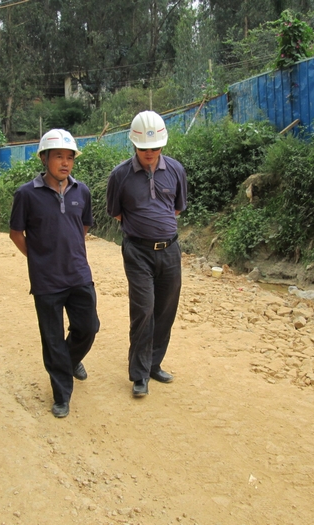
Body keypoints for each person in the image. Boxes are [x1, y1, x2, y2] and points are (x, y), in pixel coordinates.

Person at [9, 129, 99, 418]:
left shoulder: (82, 191)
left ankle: (69, 360)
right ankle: (62, 394)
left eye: (70, 157)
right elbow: (16, 233)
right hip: (46, 281)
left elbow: (83, 226)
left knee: (88, 327)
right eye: (59, 156)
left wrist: (70, 251)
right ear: (44, 158)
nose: (65, 163)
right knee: (52, 338)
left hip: (78, 274)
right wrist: (39, 259)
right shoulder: (26, 194)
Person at [106, 111, 187, 397]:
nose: (149, 153)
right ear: (134, 145)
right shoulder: (120, 175)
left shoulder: (175, 170)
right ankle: (139, 374)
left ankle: (154, 364)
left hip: (170, 250)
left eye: (154, 147)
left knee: (165, 309)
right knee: (143, 310)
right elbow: (116, 213)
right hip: (137, 252)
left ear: (162, 144)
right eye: (143, 148)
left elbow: (177, 208)